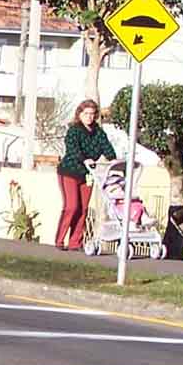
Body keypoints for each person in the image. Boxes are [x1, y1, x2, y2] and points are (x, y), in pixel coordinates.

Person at [55, 98, 116, 251]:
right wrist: (85, 159)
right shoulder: (74, 131)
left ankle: (75, 242)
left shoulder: (99, 132)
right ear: (80, 114)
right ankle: (60, 240)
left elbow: (108, 149)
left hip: (88, 175)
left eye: (92, 114)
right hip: (70, 171)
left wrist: (114, 160)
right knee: (72, 206)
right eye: (86, 113)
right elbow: (73, 149)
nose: (89, 117)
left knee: (83, 208)